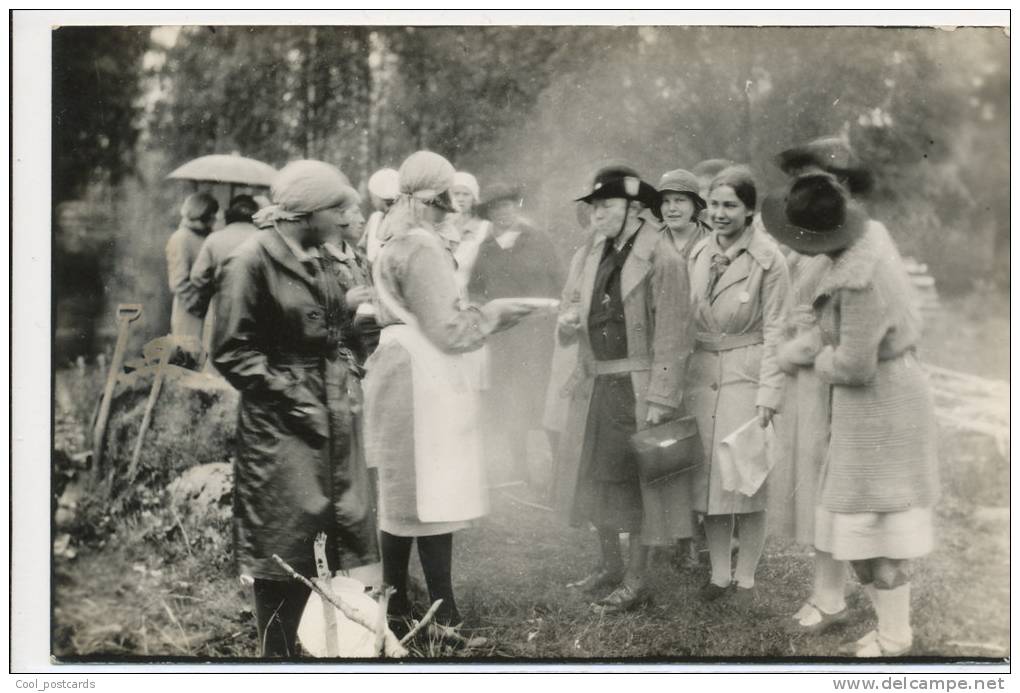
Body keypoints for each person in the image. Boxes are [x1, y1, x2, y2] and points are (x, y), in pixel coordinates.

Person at [761, 172, 938, 657]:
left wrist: (811, 358)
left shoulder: (860, 279)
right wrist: (810, 344)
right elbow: (841, 333)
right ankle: (889, 628)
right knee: (864, 524)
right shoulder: (863, 245)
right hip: (876, 402)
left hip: (883, 406)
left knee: (877, 526)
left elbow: (855, 365)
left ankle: (895, 636)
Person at [362, 151, 537, 639]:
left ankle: (399, 612)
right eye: (446, 200)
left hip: (398, 367)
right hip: (423, 374)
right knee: (429, 494)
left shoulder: (394, 237)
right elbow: (449, 331)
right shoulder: (421, 246)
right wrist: (496, 315)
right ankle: (439, 617)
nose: (452, 211)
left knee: (403, 494)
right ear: (432, 198)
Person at [212, 160, 378, 657]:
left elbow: (333, 332)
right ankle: (276, 656)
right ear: (307, 213)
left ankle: (301, 650)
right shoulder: (250, 261)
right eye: (337, 209)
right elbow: (231, 350)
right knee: (282, 544)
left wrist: (358, 326)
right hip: (280, 426)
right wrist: (296, 398)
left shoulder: (317, 258)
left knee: (322, 539)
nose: (345, 218)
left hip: (328, 412)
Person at [552, 165, 694, 613]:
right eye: (593, 205)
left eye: (606, 205)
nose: (596, 214)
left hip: (636, 389)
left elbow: (674, 333)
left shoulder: (662, 257)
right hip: (595, 386)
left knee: (634, 487)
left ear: (634, 208)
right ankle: (609, 566)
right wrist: (566, 322)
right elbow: (571, 309)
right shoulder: (592, 253)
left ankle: (635, 580)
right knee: (595, 478)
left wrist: (660, 398)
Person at [765, 136, 874, 634]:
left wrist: (797, 348)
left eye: (816, 177)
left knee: (827, 487)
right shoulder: (810, 239)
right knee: (810, 486)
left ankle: (834, 597)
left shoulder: (849, 244)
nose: (803, 188)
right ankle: (826, 591)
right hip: (807, 381)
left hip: (829, 379)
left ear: (842, 183)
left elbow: (832, 320)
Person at [685, 165, 790, 608]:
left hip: (746, 378)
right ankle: (718, 574)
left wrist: (768, 395)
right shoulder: (697, 252)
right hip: (702, 375)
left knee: (746, 479)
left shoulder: (770, 260)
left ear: (749, 210)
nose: (720, 213)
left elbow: (778, 330)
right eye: (713, 204)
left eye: (730, 205)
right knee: (709, 480)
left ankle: (745, 578)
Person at [468, 184, 564, 488]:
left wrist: (555, 311)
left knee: (545, 400)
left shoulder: (538, 240)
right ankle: (520, 469)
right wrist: (483, 308)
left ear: (516, 207)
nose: (503, 213)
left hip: (538, 335)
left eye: (507, 206)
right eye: (496, 209)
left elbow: (560, 281)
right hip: (505, 338)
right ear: (489, 214)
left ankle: (560, 470)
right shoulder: (486, 248)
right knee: (512, 402)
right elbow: (475, 289)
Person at [189, 194, 260, 365]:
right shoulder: (263, 239)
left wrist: (214, 285)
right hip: (256, 305)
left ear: (229, 215)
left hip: (221, 304)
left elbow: (197, 276)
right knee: (251, 355)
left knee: (217, 354)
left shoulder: (215, 239)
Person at [166, 192, 218, 339]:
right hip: (190, 310)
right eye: (212, 214)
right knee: (189, 352)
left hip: (208, 310)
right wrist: (199, 306)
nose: (215, 219)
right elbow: (178, 281)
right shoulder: (181, 238)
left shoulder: (207, 236)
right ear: (203, 214)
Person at [447, 171, 491, 292]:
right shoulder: (441, 228)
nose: (460, 199)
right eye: (456, 194)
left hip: (468, 296)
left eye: (466, 194)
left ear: (474, 198)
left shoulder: (484, 228)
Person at [657, 168, 711, 258]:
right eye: (666, 201)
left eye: (679, 200)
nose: (672, 208)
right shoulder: (650, 243)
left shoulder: (712, 241)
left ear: (695, 205)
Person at [359, 167, 400, 264]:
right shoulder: (375, 218)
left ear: (381, 195)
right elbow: (362, 249)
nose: (371, 199)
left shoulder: (403, 219)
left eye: (372, 195)